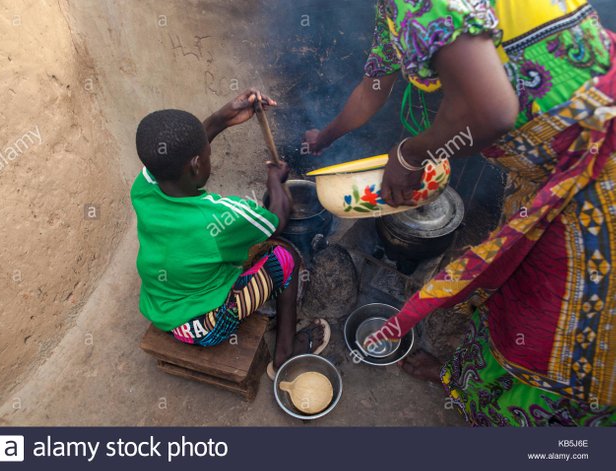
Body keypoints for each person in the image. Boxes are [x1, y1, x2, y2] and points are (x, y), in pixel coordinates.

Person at [305, 1, 616, 425]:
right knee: (515, 289)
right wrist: (324, 137)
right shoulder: (392, 9)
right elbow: (374, 88)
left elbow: (493, 111)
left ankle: (557, 439)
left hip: (599, 174)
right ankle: (468, 385)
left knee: (566, 326)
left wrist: (410, 154)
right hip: (547, 173)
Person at [132, 89, 330, 380]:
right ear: (197, 164)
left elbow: (181, 156)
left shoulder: (144, 185)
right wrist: (276, 182)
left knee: (228, 253)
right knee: (285, 257)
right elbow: (277, 220)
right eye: (208, 154)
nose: (209, 156)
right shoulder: (222, 216)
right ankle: (285, 354)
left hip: (160, 307)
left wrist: (220, 119)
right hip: (206, 326)